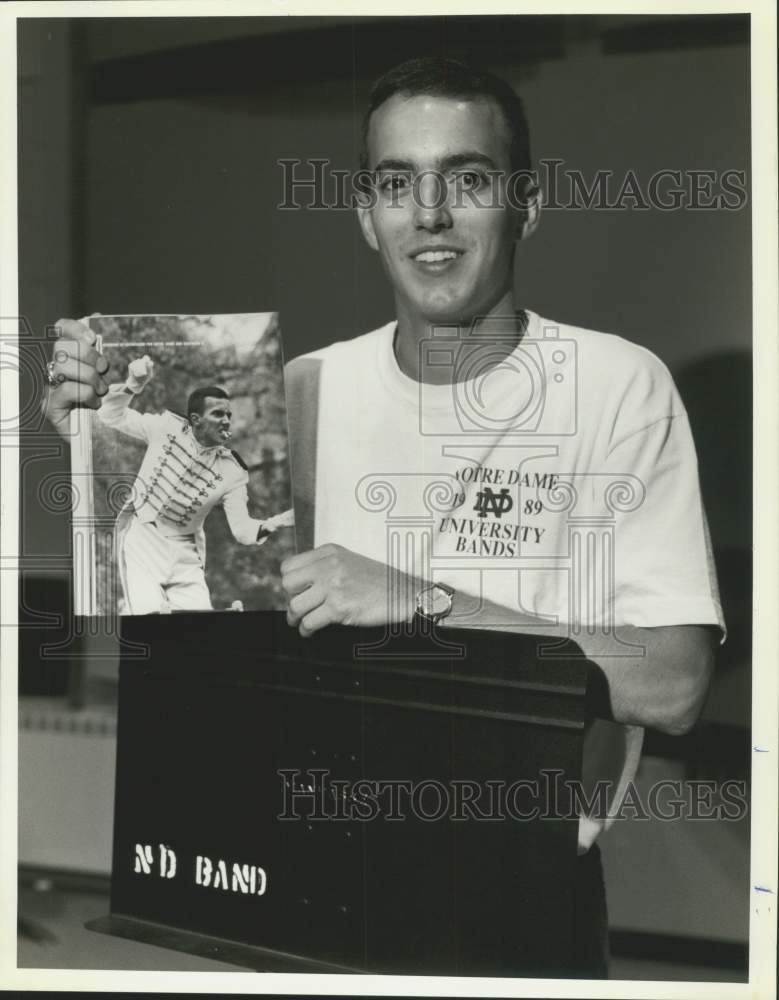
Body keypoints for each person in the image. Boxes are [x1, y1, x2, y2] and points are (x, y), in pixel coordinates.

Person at [44, 57, 724, 975]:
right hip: (311, 885)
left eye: (468, 179)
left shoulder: (615, 386)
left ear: (525, 202)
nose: (430, 214)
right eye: (397, 184)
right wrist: (90, 443)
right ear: (366, 215)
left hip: (515, 904)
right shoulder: (301, 392)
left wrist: (422, 601)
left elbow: (674, 686)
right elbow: (214, 653)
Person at [47, 349, 293, 613]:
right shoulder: (165, 427)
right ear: (196, 420)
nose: (226, 421)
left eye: (228, 415)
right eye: (218, 414)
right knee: (148, 614)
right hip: (142, 537)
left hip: (185, 554)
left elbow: (243, 532)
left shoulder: (233, 471)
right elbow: (110, 416)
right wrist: (133, 385)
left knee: (201, 624)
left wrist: (275, 523)